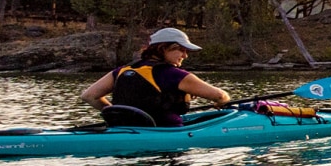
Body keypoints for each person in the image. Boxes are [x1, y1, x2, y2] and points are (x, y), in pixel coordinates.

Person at [81, 27, 231, 127]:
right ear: (163, 49)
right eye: (182, 50)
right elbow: (220, 96)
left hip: (124, 129)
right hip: (166, 133)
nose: (185, 55)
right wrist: (222, 103)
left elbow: (89, 96)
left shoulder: (123, 70)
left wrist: (120, 115)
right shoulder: (174, 74)